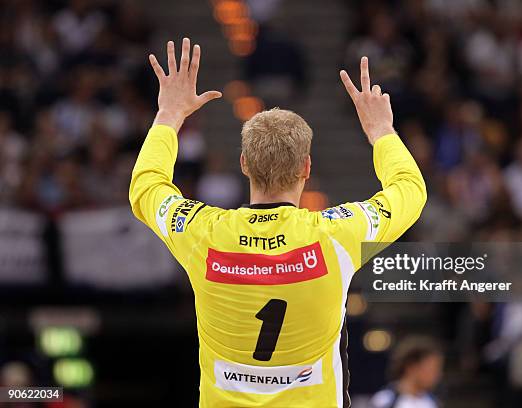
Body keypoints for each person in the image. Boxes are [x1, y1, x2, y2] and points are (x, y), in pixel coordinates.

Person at [129, 38, 427, 407]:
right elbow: (410, 191)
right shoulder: (336, 235)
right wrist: (381, 131)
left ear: (244, 164)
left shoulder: (203, 234)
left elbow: (145, 187)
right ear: (306, 168)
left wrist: (169, 115)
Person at [369, 337, 444, 408]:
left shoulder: (433, 402)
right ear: (411, 367)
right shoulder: (385, 400)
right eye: (431, 369)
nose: (437, 375)